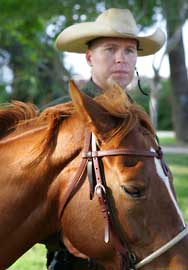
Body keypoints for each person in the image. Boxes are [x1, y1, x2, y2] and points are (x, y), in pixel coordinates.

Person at [46, 7, 166, 270]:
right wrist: (66, 236)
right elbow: (37, 194)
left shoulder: (139, 116)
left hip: (136, 257)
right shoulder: (63, 111)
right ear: (90, 57)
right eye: (110, 49)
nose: (121, 59)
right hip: (74, 262)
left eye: (129, 51)